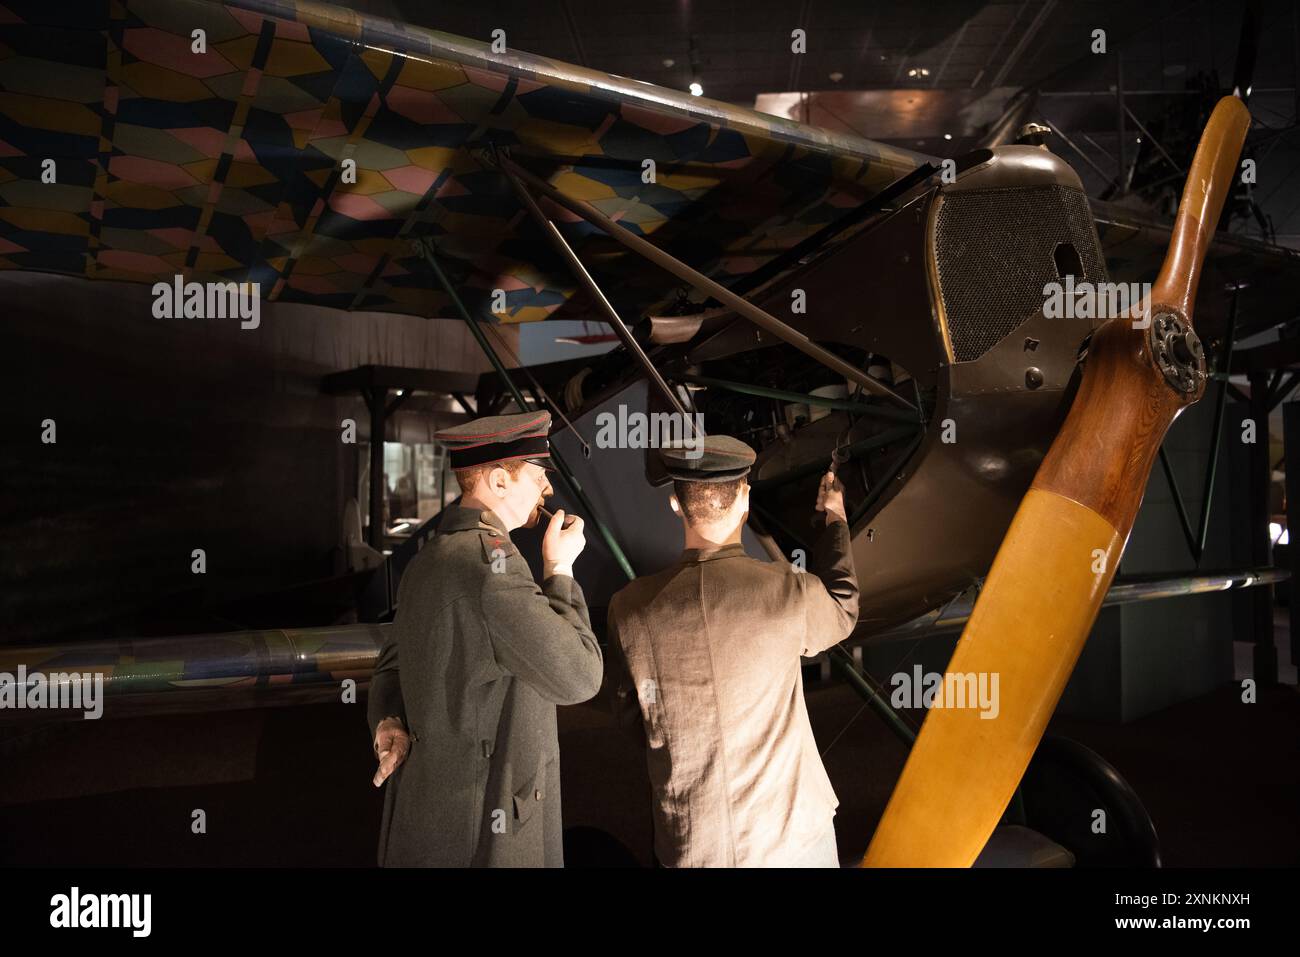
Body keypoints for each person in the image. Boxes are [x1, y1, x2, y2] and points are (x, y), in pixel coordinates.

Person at [607, 435, 859, 867]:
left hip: (692, 845)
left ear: (674, 503)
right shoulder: (786, 590)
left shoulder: (630, 609)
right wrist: (835, 519)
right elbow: (843, 606)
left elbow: (635, 714)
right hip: (790, 838)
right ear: (744, 498)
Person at [367, 410, 603, 867]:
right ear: (498, 482)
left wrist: (386, 722)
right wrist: (559, 570)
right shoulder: (493, 567)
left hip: (429, 818)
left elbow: (390, 667)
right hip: (483, 831)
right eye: (538, 477)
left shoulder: (428, 558)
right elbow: (580, 677)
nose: (547, 490)